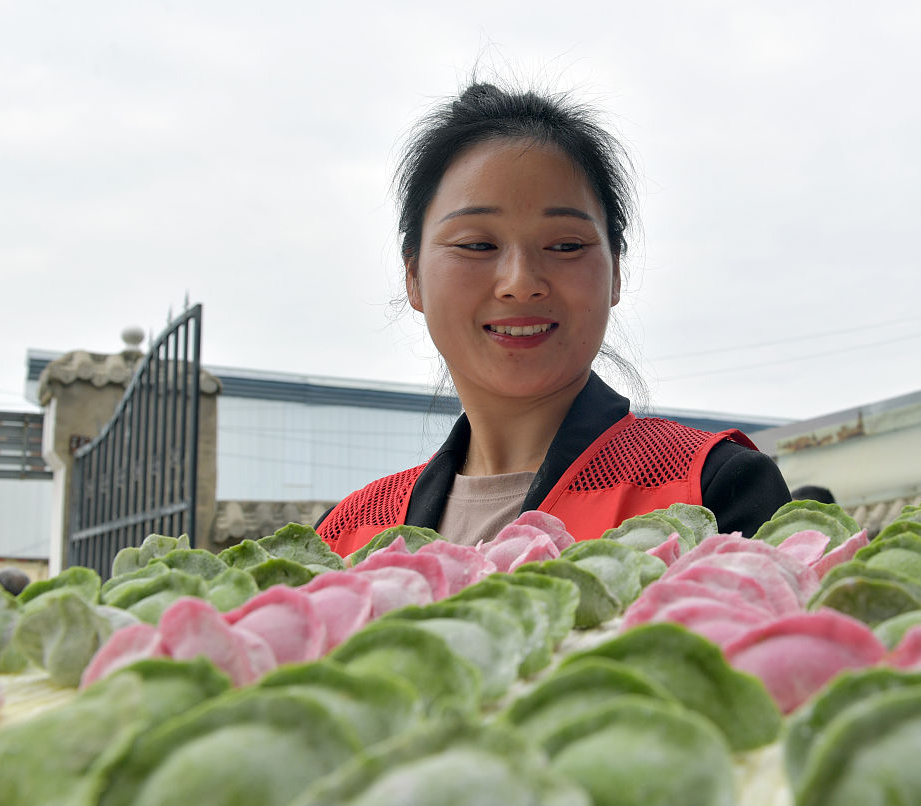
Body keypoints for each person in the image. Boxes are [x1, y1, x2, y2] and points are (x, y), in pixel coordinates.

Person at [316, 81, 790, 557]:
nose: (520, 283)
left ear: (616, 275)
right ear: (413, 275)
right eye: (477, 245)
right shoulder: (346, 536)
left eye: (566, 246)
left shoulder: (711, 491)